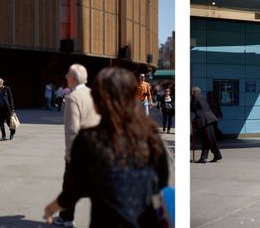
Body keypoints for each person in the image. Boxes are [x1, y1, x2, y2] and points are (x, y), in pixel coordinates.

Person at [44, 67, 169, 227]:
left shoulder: (88, 140)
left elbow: (73, 189)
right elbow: (162, 183)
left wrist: (51, 208)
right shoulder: (151, 136)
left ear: (99, 100)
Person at [54, 64, 101, 227]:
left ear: (73, 77)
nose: (66, 77)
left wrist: (69, 154)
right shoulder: (93, 94)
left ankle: (67, 218)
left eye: (67, 74)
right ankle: (66, 215)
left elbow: (72, 130)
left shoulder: (73, 98)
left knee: (70, 184)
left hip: (79, 151)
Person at [192, 86, 222, 163]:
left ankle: (217, 155)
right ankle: (203, 158)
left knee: (210, 139)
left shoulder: (195, 97)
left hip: (206, 121)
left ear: (193, 91)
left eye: (191, 91)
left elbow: (192, 108)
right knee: (206, 140)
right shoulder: (202, 97)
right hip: (208, 120)